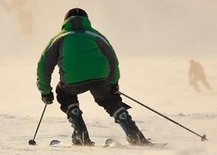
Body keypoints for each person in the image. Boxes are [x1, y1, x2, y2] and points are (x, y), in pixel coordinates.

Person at [36, 8, 150, 146]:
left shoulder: (59, 38)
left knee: (64, 93)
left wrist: (45, 92)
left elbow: (43, 67)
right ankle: (134, 134)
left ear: (65, 21)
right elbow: (112, 60)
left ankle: (80, 133)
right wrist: (113, 83)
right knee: (109, 99)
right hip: (100, 77)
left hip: (72, 81)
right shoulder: (95, 35)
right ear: (87, 20)